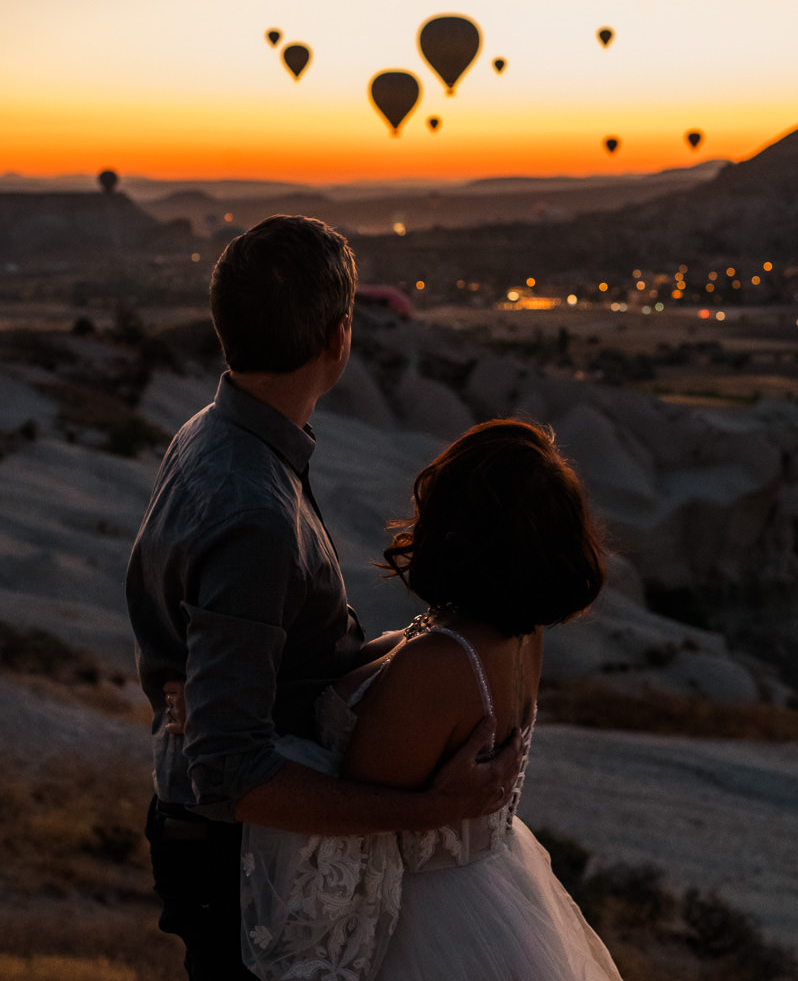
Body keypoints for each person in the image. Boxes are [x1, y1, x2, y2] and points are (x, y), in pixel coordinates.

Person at [125, 215, 521, 981]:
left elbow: (253, 656)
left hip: (223, 841)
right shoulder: (257, 512)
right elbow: (231, 769)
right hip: (239, 859)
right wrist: (434, 810)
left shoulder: (209, 436)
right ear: (340, 338)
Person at [233, 418, 624, 980]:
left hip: (419, 923)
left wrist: (218, 722)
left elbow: (351, 842)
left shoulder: (442, 662)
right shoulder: (519, 631)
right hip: (489, 894)